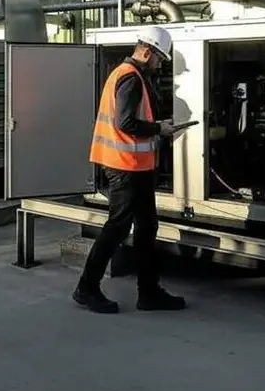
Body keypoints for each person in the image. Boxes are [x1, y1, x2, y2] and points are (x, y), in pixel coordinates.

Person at [73, 25, 187, 314]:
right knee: (118, 227)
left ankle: (149, 293)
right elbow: (125, 123)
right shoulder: (130, 78)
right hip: (125, 167)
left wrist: (157, 126)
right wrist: (159, 129)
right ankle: (86, 288)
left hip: (135, 166)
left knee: (147, 227)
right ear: (147, 52)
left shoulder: (129, 75)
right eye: (160, 59)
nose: (160, 65)